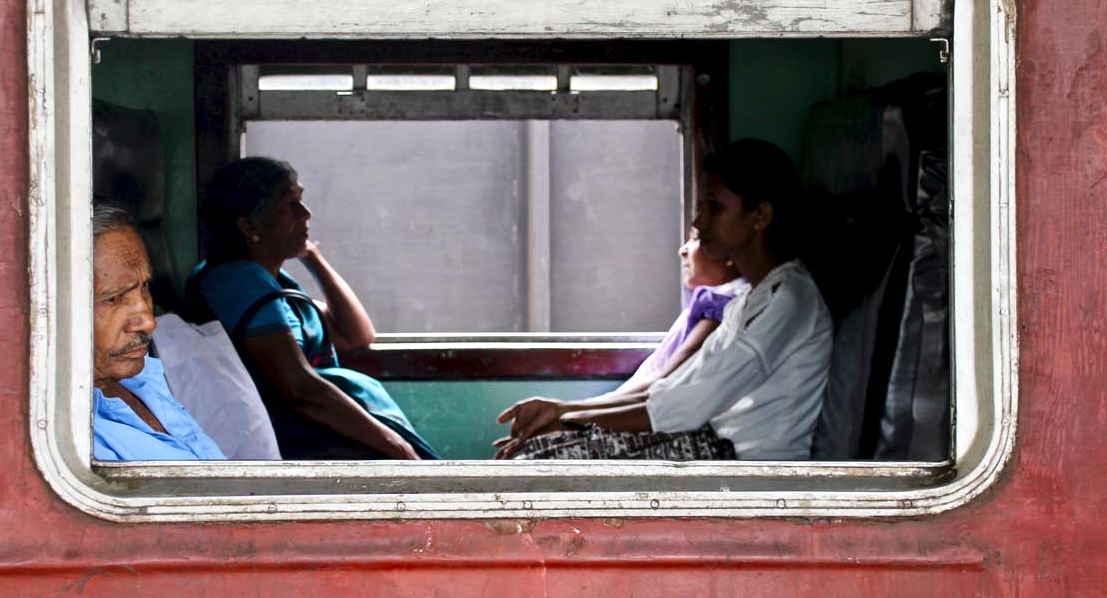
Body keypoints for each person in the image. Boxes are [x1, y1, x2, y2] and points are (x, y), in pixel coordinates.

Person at [494, 139, 833, 461]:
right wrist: (563, 411)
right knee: (539, 450)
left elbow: (691, 404)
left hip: (742, 461)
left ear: (760, 216)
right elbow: (672, 389)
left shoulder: (789, 299)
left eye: (714, 207)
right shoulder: (749, 299)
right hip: (706, 442)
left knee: (542, 460)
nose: (699, 222)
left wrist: (570, 418)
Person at [186, 157, 438, 460]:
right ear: (248, 224)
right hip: (295, 440)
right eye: (290, 205)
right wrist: (397, 446)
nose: (306, 214)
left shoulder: (274, 282)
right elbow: (301, 390)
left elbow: (356, 334)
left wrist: (312, 256)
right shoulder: (239, 282)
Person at [493, 228, 747, 449]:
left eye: (696, 240)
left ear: (727, 256)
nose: (683, 250)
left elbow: (660, 386)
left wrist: (569, 414)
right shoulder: (711, 303)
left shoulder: (721, 308)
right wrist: (569, 412)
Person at [91, 201, 226, 461]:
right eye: (114, 298)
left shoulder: (141, 381)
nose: (148, 322)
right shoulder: (66, 444)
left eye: (144, 286)